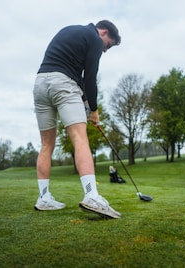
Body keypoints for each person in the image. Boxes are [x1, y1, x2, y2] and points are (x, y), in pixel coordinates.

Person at [33, 20, 121, 219]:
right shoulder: (95, 39)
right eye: (108, 45)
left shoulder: (70, 30)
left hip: (40, 84)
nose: (104, 50)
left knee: (46, 145)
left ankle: (44, 198)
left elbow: (76, 76)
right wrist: (95, 111)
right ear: (104, 32)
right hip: (63, 84)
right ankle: (91, 195)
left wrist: (84, 102)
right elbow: (90, 78)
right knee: (80, 139)